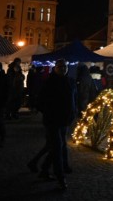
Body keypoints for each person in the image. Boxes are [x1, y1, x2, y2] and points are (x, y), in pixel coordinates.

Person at [37, 59, 76, 190]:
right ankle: (60, 177)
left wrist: (72, 113)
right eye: (60, 67)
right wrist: (50, 112)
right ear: (55, 68)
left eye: (65, 66)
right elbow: (40, 102)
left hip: (65, 121)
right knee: (58, 148)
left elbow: (72, 100)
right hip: (52, 121)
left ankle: (43, 170)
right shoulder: (49, 82)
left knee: (55, 147)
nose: (63, 69)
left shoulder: (70, 81)